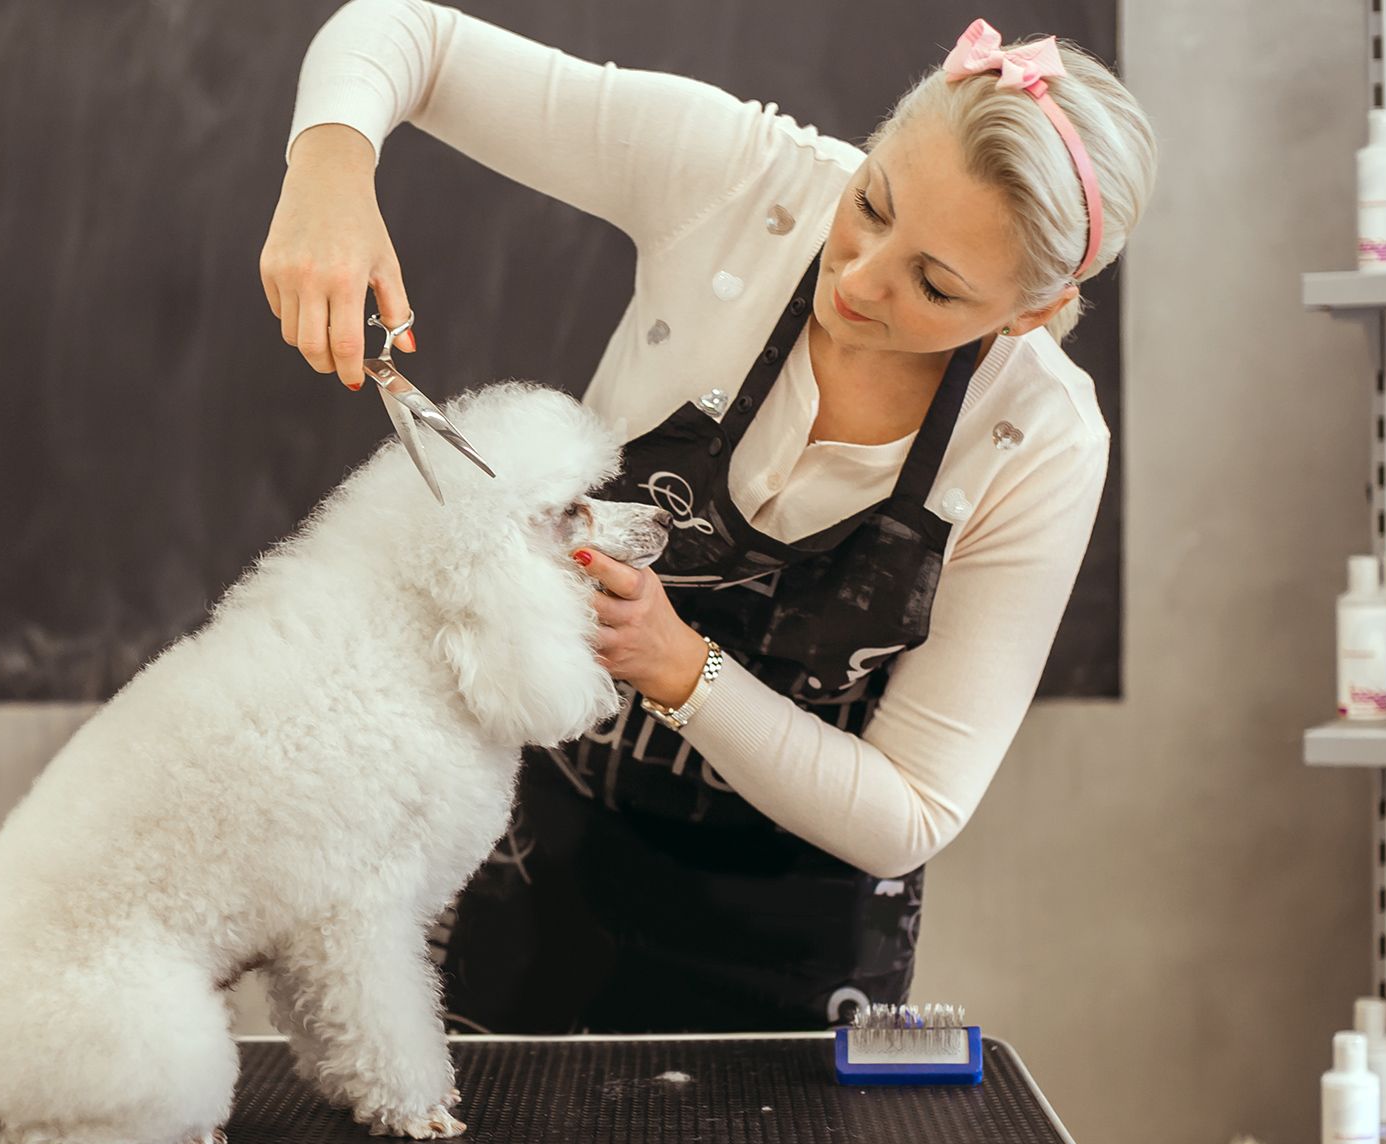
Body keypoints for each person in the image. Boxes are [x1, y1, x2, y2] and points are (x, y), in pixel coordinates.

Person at [259, 0, 1157, 1034]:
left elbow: (907, 812)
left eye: (936, 286)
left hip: (793, 932)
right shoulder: (744, 182)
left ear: (1033, 311)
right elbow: (403, 35)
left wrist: (681, 669)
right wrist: (329, 168)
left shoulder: (1041, 444)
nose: (859, 279)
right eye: (871, 203)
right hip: (540, 845)